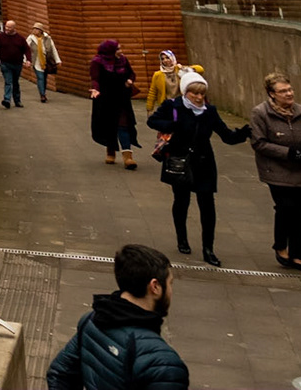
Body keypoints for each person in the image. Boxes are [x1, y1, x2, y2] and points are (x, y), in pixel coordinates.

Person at [46, 243, 186, 390]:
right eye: (170, 284)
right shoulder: (165, 364)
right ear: (155, 286)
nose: (171, 291)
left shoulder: (92, 321)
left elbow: (60, 373)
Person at [147, 70, 249, 265]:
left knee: (208, 206)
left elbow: (226, 136)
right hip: (180, 161)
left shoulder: (209, 112)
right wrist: (172, 124)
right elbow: (152, 121)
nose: (199, 97)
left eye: (202, 94)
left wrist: (244, 133)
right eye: (194, 93)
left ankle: (208, 249)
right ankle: (182, 238)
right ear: (186, 92)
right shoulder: (173, 106)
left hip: (204, 163)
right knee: (181, 201)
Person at [249, 71, 301, 272]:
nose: (289, 94)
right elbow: (259, 143)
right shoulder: (260, 113)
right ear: (272, 94)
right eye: (283, 91)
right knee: (285, 208)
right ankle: (281, 246)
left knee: (300, 214)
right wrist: (288, 153)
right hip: (276, 172)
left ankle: (297, 255)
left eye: (290, 89)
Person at [88, 39, 138, 170]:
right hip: (105, 98)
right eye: (118, 49)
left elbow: (132, 73)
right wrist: (95, 89)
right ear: (110, 51)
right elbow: (95, 78)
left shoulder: (123, 60)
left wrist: (129, 80)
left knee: (123, 125)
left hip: (121, 97)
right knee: (109, 125)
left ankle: (128, 157)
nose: (121, 52)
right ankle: (110, 151)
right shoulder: (97, 62)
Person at [0, 20, 30, 109]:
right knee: (8, 81)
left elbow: (27, 49)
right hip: (5, 64)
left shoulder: (20, 38)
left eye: (9, 27)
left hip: (17, 64)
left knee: (15, 82)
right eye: (6, 27)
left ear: (14, 28)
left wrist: (28, 60)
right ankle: (7, 100)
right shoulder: (0, 37)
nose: (7, 29)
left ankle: (17, 100)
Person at [29, 24, 61, 103]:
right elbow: (26, 49)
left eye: (36, 29)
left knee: (44, 78)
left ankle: (43, 91)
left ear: (40, 30)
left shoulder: (47, 38)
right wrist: (26, 60)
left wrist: (58, 60)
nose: (34, 31)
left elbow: (53, 50)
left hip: (46, 61)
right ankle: (42, 95)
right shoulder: (31, 38)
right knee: (40, 77)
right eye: (34, 29)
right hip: (36, 61)